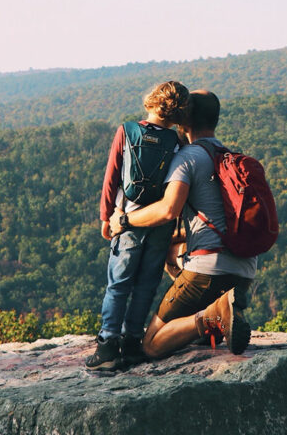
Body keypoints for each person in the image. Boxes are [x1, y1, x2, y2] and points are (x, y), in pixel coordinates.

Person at [110, 90, 254, 358]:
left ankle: (213, 314)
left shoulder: (188, 157)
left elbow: (167, 210)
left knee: (150, 344)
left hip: (208, 270)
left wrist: (124, 219)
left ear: (184, 118)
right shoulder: (228, 156)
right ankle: (214, 319)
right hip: (244, 270)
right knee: (178, 259)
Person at [86, 81, 190, 370]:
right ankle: (133, 342)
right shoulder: (176, 142)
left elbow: (112, 178)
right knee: (146, 285)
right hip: (159, 224)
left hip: (128, 221)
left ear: (152, 102)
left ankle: (107, 346)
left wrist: (106, 216)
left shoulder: (127, 131)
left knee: (118, 285)